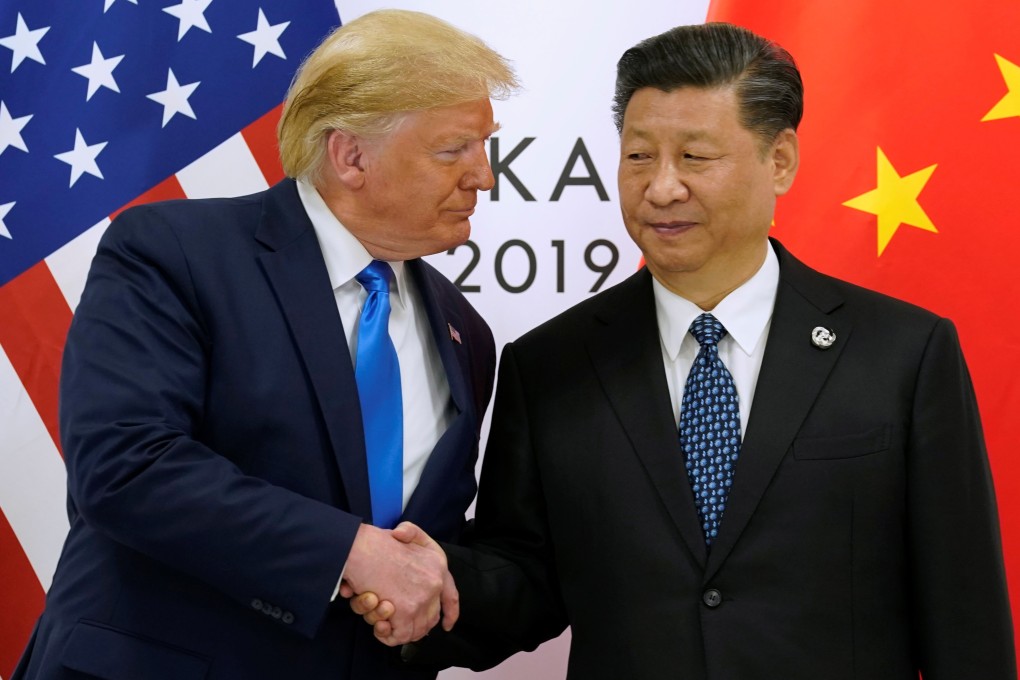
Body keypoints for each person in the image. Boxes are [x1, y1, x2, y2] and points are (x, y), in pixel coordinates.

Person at [350, 21, 1016, 679]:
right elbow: (526, 580)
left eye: (695, 157)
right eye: (639, 156)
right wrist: (425, 585)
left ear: (779, 161)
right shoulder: (550, 365)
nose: (661, 188)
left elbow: (965, 617)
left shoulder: (904, 353)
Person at [12, 9, 517, 680]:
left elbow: (421, 548)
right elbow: (124, 464)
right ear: (352, 155)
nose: (483, 177)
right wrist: (352, 553)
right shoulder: (174, 254)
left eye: (484, 148)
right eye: (454, 149)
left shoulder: (465, 334)